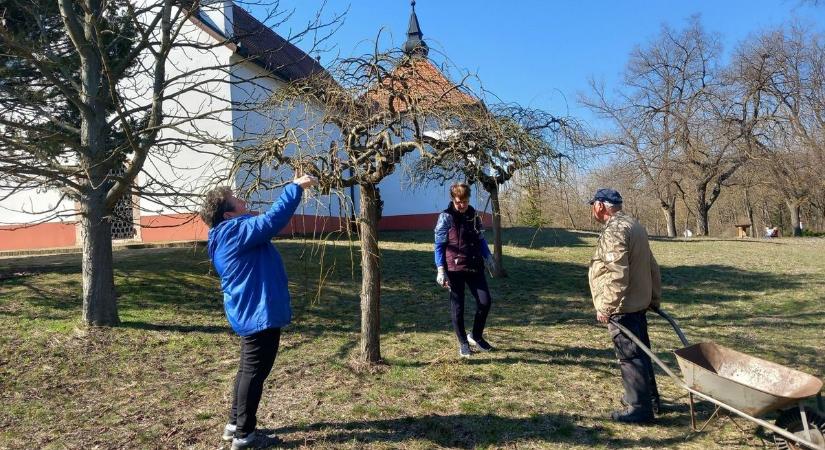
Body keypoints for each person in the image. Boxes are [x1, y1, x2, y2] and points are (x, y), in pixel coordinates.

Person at [200, 174, 318, 450]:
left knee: (247, 371)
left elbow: (263, 223)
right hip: (257, 312)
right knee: (254, 373)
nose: (243, 200)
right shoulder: (233, 232)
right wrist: (295, 187)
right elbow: (271, 221)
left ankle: (234, 425)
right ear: (229, 213)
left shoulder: (228, 233)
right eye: (237, 200)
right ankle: (244, 436)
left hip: (251, 310)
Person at [587, 188, 661, 424]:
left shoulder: (615, 231)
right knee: (642, 352)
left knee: (629, 356)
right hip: (638, 301)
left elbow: (618, 274)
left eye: (593, 206)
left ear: (600, 206)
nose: (592, 210)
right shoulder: (634, 225)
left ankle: (639, 408)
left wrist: (607, 306)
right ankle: (649, 398)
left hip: (623, 305)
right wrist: (654, 298)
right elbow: (652, 265)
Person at [434, 183, 497, 358]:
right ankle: (463, 342)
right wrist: (440, 269)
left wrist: (488, 257)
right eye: (459, 202)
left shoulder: (473, 215)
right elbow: (439, 246)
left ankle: (475, 336)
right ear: (453, 199)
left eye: (465, 201)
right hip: (454, 268)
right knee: (458, 307)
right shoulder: (445, 217)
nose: (462, 205)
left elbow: (481, 238)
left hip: (475, 265)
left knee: (485, 302)